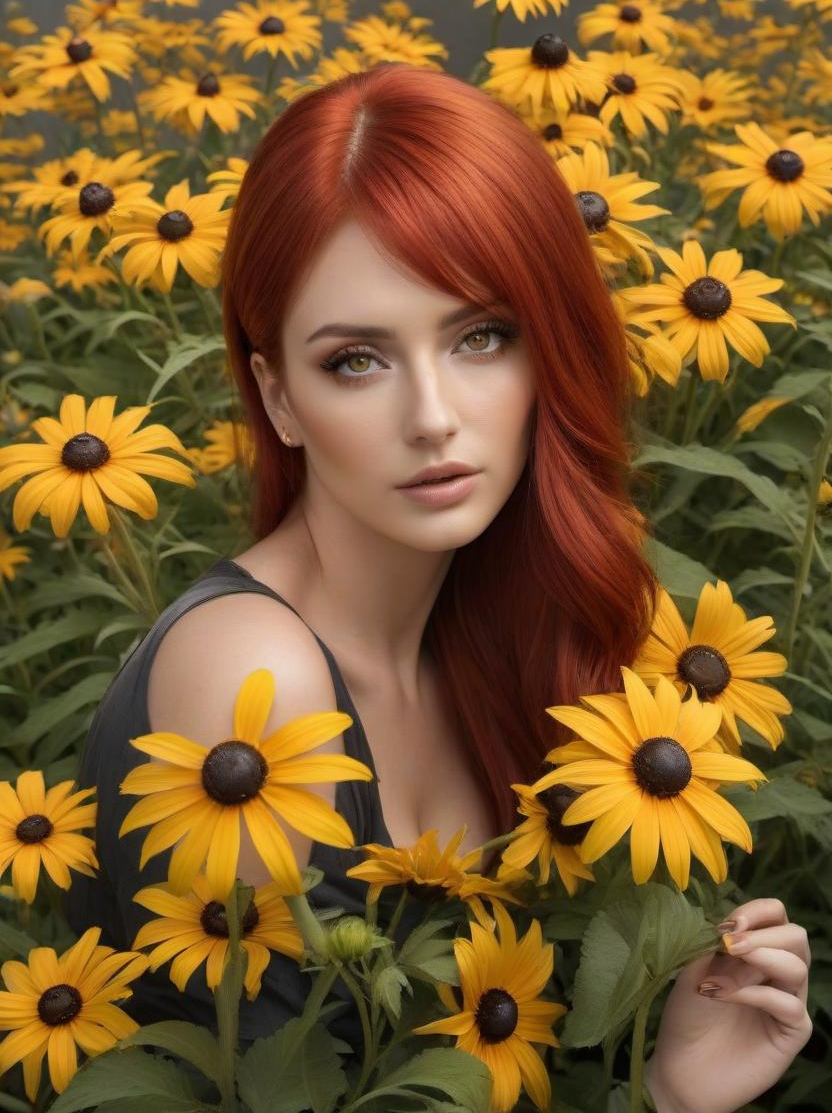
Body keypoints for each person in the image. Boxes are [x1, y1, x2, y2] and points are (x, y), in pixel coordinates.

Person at [66, 62, 812, 1110]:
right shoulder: (256, 675)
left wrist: (671, 1094)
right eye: (356, 360)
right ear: (275, 393)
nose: (432, 415)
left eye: (480, 337)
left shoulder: (480, 627)